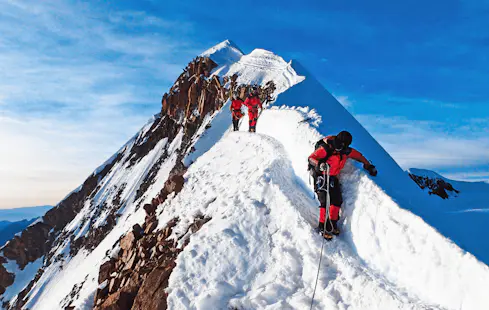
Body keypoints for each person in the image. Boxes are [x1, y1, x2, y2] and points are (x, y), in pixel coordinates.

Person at [308, 131, 377, 240]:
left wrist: (368, 165)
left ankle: (332, 224)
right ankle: (322, 226)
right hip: (321, 175)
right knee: (324, 200)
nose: (341, 148)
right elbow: (311, 158)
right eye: (340, 145)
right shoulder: (326, 148)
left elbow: (358, 156)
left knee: (336, 200)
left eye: (344, 146)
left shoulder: (345, 151)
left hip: (333, 177)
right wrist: (320, 165)